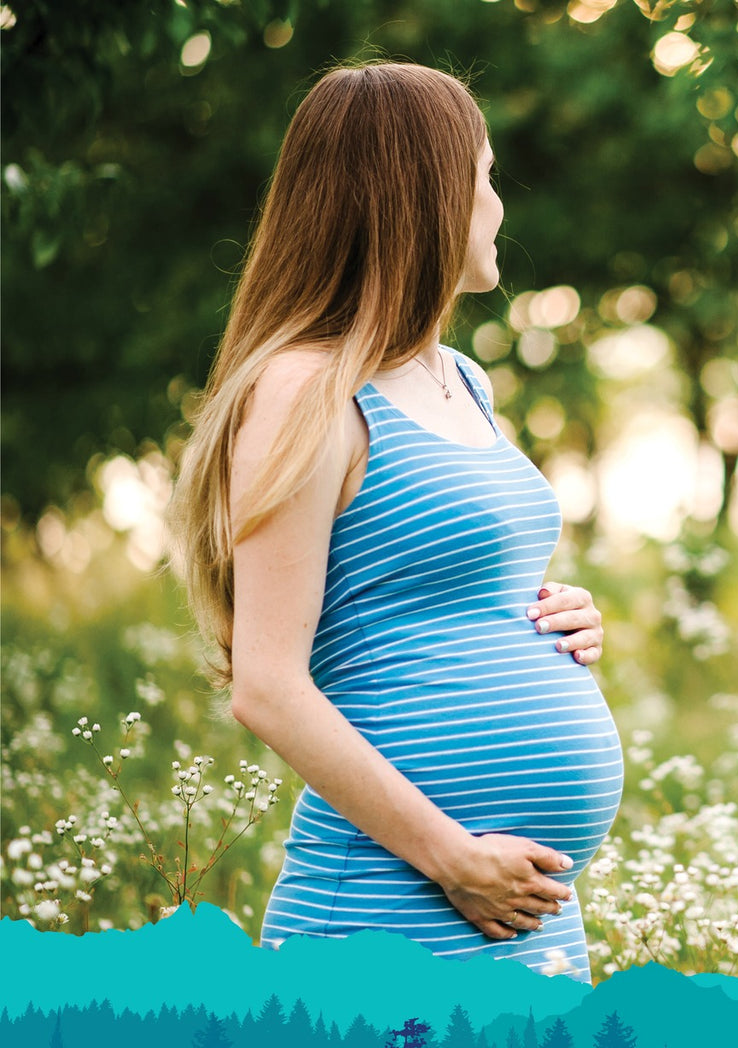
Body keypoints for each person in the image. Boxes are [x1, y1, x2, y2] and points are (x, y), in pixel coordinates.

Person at [168, 61, 623, 982]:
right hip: (392, 907)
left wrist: (552, 616)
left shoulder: (465, 380)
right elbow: (267, 682)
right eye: (485, 176)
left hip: (522, 914)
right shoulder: (304, 390)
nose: (498, 205)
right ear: (424, 195)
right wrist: (453, 857)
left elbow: (432, 590)